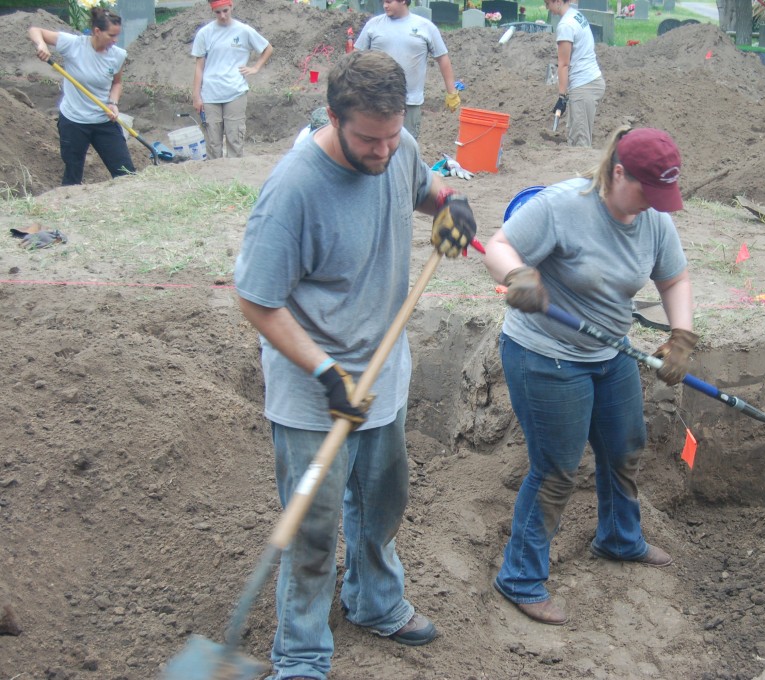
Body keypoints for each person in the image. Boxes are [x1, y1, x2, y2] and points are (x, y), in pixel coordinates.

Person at [234, 50, 476, 680]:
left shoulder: (397, 148)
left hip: (383, 367)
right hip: (313, 382)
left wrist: (451, 206)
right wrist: (325, 374)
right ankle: (303, 653)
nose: (383, 151)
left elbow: (426, 189)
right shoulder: (293, 191)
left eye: (393, 135)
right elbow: (257, 301)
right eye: (369, 139)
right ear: (334, 119)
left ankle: (374, 601)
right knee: (311, 527)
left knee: (381, 502)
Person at [483, 126, 697, 626]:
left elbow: (674, 276)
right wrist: (517, 275)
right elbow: (499, 245)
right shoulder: (562, 206)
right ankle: (520, 576)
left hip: (610, 349)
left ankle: (620, 539)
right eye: (646, 190)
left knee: (624, 447)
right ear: (617, 172)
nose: (652, 204)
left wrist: (682, 336)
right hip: (545, 353)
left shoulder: (654, 219)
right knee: (557, 469)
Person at [27, 9, 136, 186]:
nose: (115, 40)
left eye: (118, 35)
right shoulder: (74, 44)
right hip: (73, 121)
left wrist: (113, 103)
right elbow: (34, 30)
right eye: (111, 35)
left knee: (126, 173)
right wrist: (41, 45)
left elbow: (117, 83)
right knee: (73, 174)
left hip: (103, 119)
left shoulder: (117, 55)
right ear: (97, 31)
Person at [354, 0, 461, 141]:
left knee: (407, 146)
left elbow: (442, 58)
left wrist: (451, 92)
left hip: (410, 102)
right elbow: (355, 57)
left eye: (389, 1)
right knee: (375, 145)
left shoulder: (425, 27)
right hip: (376, 99)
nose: (384, 5)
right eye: (383, 2)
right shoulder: (374, 25)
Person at [191, 0, 273, 158]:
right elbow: (199, 67)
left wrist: (255, 68)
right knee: (213, 142)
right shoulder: (205, 33)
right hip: (210, 93)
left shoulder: (244, 31)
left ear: (231, 7)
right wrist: (196, 96)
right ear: (212, 11)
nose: (222, 15)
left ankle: (234, 176)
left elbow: (268, 48)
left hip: (235, 92)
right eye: (218, 12)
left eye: (225, 11)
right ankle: (215, 177)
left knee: (235, 138)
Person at [545, 0, 605, 148]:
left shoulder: (565, 25)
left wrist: (561, 96)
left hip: (584, 85)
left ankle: (583, 171)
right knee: (575, 134)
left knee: (580, 143)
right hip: (591, 80)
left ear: (558, 1)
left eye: (548, 3)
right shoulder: (576, 15)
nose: (547, 8)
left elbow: (564, 64)